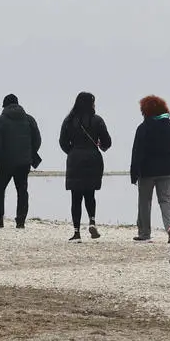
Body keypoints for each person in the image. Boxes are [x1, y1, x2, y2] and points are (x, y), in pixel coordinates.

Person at [59, 92, 112, 241]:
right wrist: (99, 145)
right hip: (93, 159)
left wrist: (72, 152)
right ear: (90, 104)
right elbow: (107, 142)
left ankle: (76, 232)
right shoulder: (98, 121)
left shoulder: (69, 121)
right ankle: (92, 221)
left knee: (75, 197)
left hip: (75, 159)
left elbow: (62, 142)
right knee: (90, 194)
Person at [0, 94, 42, 229]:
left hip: (6, 162)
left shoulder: (1, 120)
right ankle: (20, 221)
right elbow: (37, 140)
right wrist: (29, 153)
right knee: (22, 191)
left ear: (5, 106)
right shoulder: (29, 119)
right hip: (24, 162)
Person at [129, 95, 170, 242]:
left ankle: (144, 234)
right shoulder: (169, 125)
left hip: (147, 171)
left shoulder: (143, 128)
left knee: (145, 201)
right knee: (165, 200)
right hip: (167, 169)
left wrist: (134, 172)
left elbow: (136, 151)